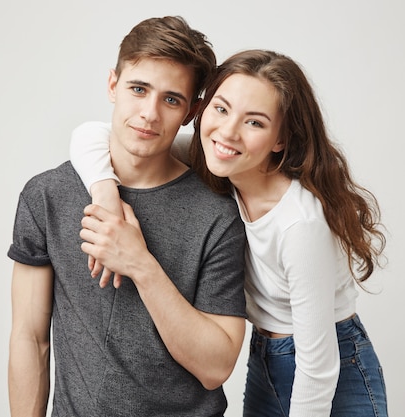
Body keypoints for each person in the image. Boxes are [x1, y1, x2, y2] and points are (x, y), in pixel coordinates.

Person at [70, 50, 388, 417]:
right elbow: (92, 135)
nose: (228, 131)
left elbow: (318, 366)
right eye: (221, 109)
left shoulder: (300, 225)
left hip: (331, 366)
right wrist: (106, 194)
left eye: (254, 123)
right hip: (268, 356)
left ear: (280, 139)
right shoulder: (217, 160)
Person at [8, 16, 248, 417]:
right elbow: (29, 338)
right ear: (113, 85)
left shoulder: (217, 213)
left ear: (190, 113)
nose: (150, 114)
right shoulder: (48, 195)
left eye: (171, 99)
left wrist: (140, 264)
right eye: (139, 89)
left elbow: (215, 367)